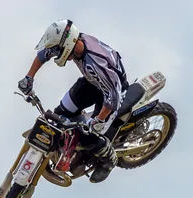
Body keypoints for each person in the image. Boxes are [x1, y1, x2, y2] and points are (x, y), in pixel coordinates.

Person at [18, 19, 129, 183]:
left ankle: (108, 161)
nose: (55, 52)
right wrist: (29, 78)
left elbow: (113, 98)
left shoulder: (96, 63)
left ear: (67, 44)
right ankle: (62, 148)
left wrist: (97, 120)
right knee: (59, 115)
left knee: (89, 135)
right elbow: (43, 55)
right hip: (91, 82)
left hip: (111, 95)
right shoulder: (72, 44)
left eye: (57, 49)